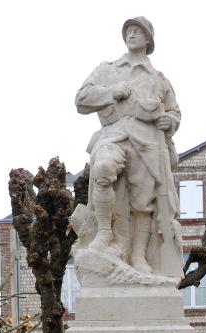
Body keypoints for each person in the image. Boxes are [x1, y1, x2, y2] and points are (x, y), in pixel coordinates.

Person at [75, 17, 182, 277]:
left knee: (143, 202)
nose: (131, 35)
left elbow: (174, 112)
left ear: (148, 41)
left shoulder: (159, 79)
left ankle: (138, 255)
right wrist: (111, 92)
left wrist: (170, 121)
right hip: (113, 135)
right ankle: (104, 233)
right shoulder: (107, 70)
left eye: (138, 32)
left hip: (147, 143)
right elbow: (81, 100)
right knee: (102, 169)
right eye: (129, 31)